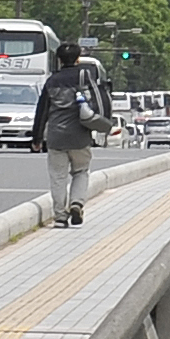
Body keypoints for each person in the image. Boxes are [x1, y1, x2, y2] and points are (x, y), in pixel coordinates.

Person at [33, 42, 106, 228]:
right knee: (81, 171)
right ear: (78, 59)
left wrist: (37, 137)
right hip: (80, 136)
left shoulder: (52, 81)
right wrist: (101, 123)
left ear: (59, 60)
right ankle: (76, 203)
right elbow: (98, 101)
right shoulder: (84, 76)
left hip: (56, 136)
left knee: (58, 177)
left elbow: (42, 111)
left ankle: (60, 216)